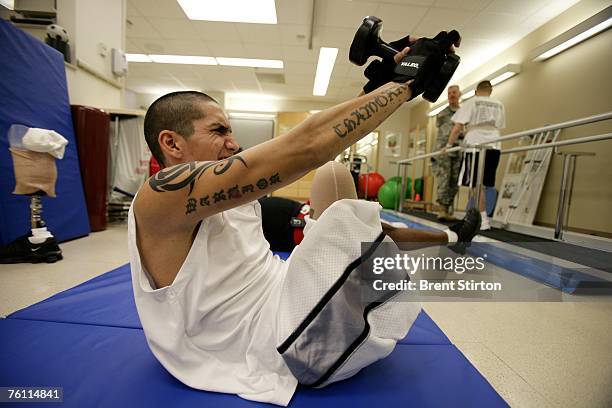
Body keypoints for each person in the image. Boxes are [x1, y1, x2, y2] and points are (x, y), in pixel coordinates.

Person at [129, 34, 479, 406]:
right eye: (219, 131)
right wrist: (404, 85)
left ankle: (443, 241)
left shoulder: (224, 195)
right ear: (171, 143)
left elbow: (313, 142)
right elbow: (308, 145)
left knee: (340, 191)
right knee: (333, 175)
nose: (232, 142)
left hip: (280, 294)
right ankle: (435, 247)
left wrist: (378, 92)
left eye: (230, 130)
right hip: (268, 344)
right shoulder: (161, 194)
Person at [445, 80, 506, 230]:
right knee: (485, 184)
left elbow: (457, 127)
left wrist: (448, 146)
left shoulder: (472, 102)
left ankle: (482, 220)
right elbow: (499, 125)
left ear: (476, 91)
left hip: (475, 145)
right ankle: (475, 215)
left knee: (475, 184)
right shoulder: (499, 104)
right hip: (494, 144)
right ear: (490, 91)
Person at [432, 85, 463, 221]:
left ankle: (449, 209)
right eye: (449, 93)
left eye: (454, 92)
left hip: (458, 150)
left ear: (459, 94)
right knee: (444, 178)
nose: (451, 95)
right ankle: (442, 209)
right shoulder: (443, 113)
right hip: (444, 150)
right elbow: (445, 132)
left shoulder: (463, 112)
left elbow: (463, 130)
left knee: (454, 180)